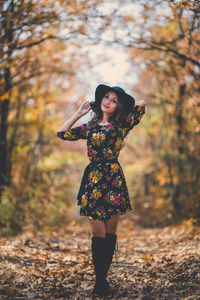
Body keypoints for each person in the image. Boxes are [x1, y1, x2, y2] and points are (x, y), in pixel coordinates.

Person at [56, 84, 146, 296]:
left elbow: (141, 104)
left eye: (113, 100)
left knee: (110, 233)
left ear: (118, 106)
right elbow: (62, 133)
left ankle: (103, 278)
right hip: (93, 180)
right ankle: (100, 280)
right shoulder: (90, 127)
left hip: (114, 179)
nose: (108, 101)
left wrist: (123, 105)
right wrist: (80, 113)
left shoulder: (122, 125)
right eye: (105, 97)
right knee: (98, 232)